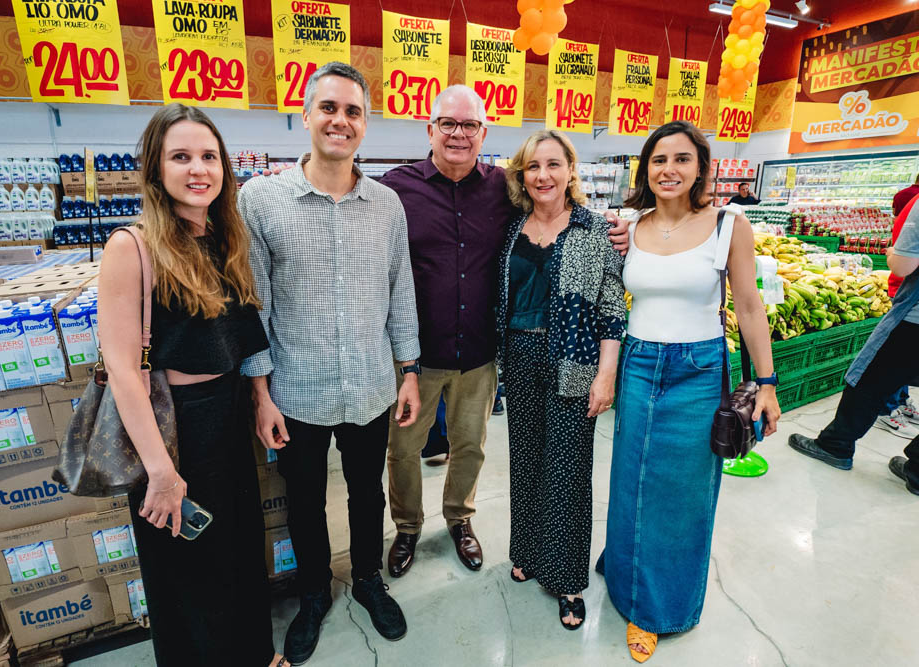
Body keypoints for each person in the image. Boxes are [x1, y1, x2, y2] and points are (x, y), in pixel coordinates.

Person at [379, 84, 630, 579]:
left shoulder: (502, 189)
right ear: (430, 129)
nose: (458, 134)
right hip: (418, 356)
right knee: (405, 449)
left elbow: (561, 222)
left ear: (483, 133)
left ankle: (460, 519)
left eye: (469, 125)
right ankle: (407, 527)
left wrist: (618, 229)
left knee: (470, 445)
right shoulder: (395, 188)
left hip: (482, 353)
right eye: (448, 124)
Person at [241, 62, 421, 665]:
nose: (340, 121)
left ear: (365, 125)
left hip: (370, 384)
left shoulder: (386, 204)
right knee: (304, 496)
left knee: (367, 493)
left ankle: (367, 577)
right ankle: (313, 591)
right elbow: (254, 302)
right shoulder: (262, 200)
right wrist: (261, 393)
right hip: (297, 390)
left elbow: (401, 291)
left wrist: (410, 369)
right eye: (329, 108)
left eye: (353, 111)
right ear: (306, 113)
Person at [98, 104, 283, 666]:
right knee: (187, 567)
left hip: (226, 416)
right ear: (155, 168)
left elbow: (243, 335)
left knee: (238, 550)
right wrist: (159, 470)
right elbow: (123, 371)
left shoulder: (224, 238)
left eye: (209, 156)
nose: (198, 169)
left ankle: (254, 653)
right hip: (174, 427)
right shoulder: (131, 248)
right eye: (181, 156)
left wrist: (260, 398)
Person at [598, 121, 780, 662]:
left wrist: (767, 384)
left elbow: (748, 305)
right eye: (658, 161)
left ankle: (657, 609)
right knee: (631, 475)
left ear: (701, 166)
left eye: (681, 159)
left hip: (698, 370)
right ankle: (627, 562)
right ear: (645, 170)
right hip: (638, 360)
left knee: (681, 493)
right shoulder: (630, 223)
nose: (669, 170)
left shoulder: (729, 223)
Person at [497, 130, 625, 630]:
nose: (543, 176)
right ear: (522, 175)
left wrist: (606, 374)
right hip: (519, 358)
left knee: (569, 470)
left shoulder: (595, 229)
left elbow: (612, 307)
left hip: (574, 360)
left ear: (571, 170)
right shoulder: (513, 228)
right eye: (533, 167)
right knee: (525, 458)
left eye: (553, 165)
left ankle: (569, 578)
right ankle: (528, 548)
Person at [789, 203, 919, 497]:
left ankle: (835, 445)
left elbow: (903, 265)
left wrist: (891, 253)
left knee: (869, 378)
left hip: (915, 321)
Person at [873, 191, 919, 439]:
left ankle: (893, 405)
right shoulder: (913, 201)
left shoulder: (912, 201)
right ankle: (894, 405)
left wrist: (892, 254)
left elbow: (902, 265)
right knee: (900, 363)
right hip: (909, 298)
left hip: (910, 299)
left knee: (892, 363)